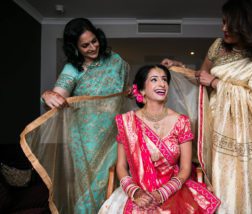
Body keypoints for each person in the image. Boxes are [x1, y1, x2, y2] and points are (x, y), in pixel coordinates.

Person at [161, 0, 252, 213]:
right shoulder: (218, 47)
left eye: (230, 24)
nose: (223, 28)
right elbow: (202, 78)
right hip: (219, 128)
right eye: (223, 22)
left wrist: (217, 83)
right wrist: (180, 69)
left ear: (246, 25)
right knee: (224, 183)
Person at [23, 18, 129, 213]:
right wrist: (47, 96)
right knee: (86, 188)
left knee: (113, 182)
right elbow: (57, 96)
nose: (92, 48)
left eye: (94, 41)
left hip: (114, 137)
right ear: (75, 47)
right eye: (85, 45)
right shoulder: (73, 68)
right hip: (84, 141)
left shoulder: (116, 61)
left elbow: (124, 95)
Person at [98, 64, 220, 213]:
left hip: (174, 189)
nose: (162, 83)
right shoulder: (127, 122)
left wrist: (163, 192)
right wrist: (135, 192)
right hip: (138, 189)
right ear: (142, 90)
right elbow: (122, 166)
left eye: (164, 79)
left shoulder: (181, 121)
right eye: (154, 79)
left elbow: (185, 168)